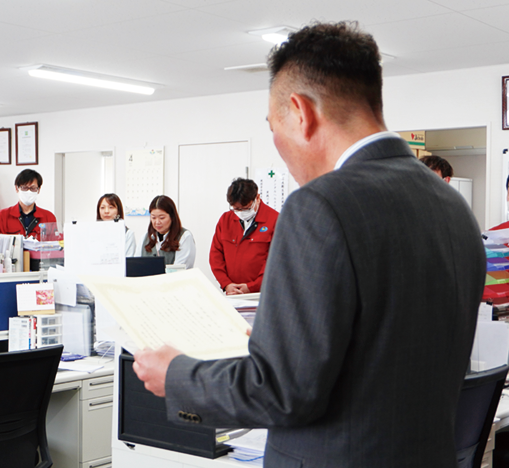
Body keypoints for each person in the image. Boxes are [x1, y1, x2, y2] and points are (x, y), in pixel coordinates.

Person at [133, 22, 484, 468]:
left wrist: (176, 374)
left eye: (273, 126)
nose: (277, 144)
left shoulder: (319, 205)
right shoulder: (450, 206)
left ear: (300, 112)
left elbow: (281, 391)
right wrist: (280, 340)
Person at [209, 178, 279, 294]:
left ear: (257, 198)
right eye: (236, 209)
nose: (240, 212)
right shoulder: (226, 220)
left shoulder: (275, 220)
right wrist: (226, 284)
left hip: (263, 293)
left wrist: (252, 286)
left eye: (245, 208)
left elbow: (276, 262)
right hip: (232, 293)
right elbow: (215, 255)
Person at [0, 168, 56, 237]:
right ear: (17, 188)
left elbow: (53, 245)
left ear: (39, 190)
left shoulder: (49, 217)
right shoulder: (2, 216)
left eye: (33, 188)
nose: (29, 191)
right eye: (24, 188)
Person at [138, 195, 196, 269]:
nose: (157, 222)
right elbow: (137, 266)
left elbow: (178, 270)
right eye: (153, 217)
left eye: (162, 218)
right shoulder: (145, 238)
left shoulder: (184, 237)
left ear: (172, 217)